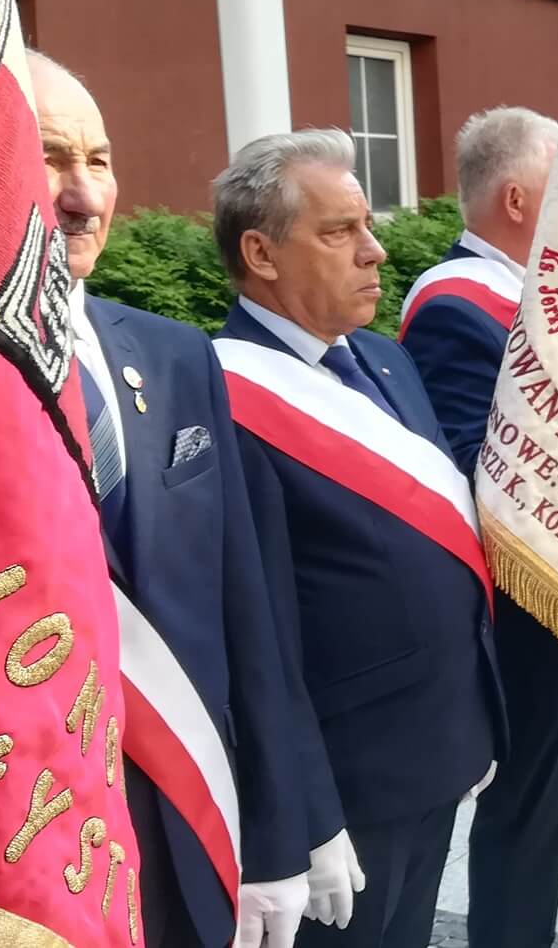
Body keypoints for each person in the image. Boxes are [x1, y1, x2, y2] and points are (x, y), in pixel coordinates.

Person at [31, 53, 328, 948]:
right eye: (51, 157)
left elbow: (248, 609)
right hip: (36, 840)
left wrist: (279, 834)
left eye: (101, 159)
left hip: (194, 820)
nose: (85, 195)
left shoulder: (172, 355)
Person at [210, 129, 507, 948]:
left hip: (437, 743)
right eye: (340, 232)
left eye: (367, 226)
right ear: (261, 254)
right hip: (348, 781)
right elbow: (257, 634)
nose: (374, 251)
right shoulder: (224, 393)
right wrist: (300, 811)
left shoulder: (383, 359)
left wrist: (473, 708)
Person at [397, 107, 558, 948]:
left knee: (552, 800)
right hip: (522, 600)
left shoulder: (536, 294)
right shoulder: (458, 305)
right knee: (527, 801)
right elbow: (468, 462)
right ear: (519, 199)